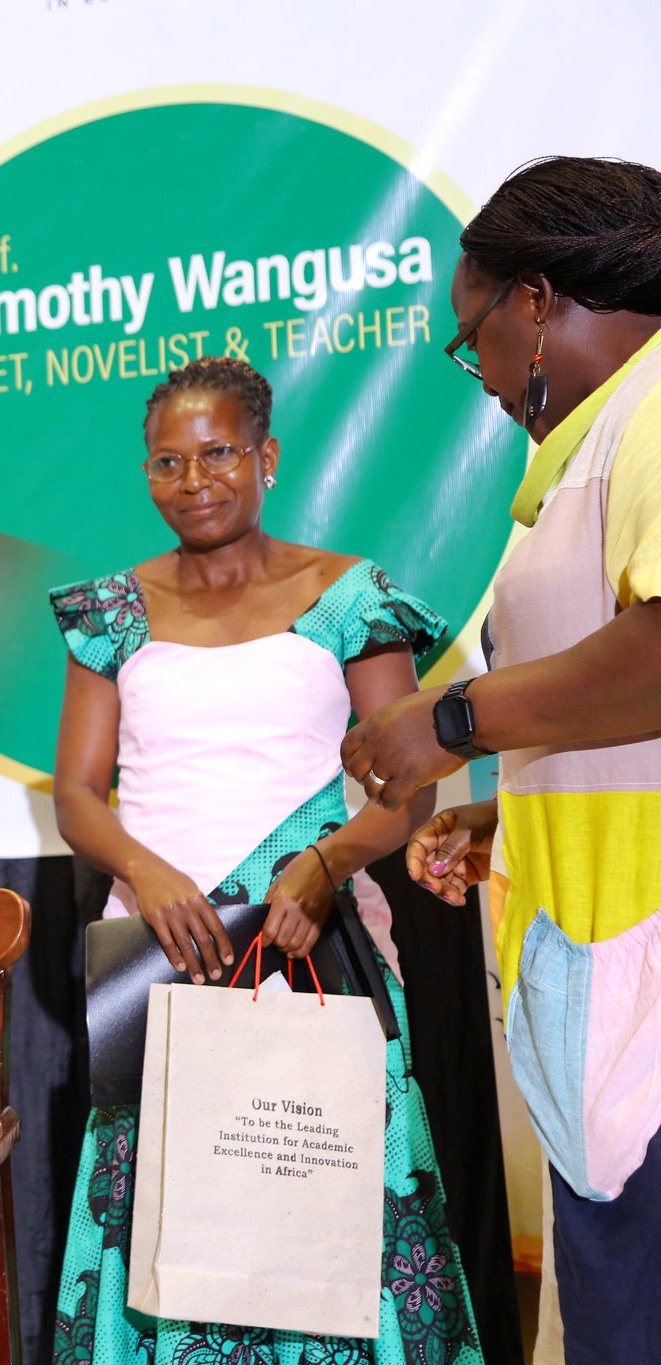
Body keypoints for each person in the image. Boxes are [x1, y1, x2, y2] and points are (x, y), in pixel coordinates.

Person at [46, 359, 482, 1363]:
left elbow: (404, 788)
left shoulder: (346, 597)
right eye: (167, 461)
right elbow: (76, 794)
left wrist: (323, 869)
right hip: (164, 960)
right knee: (168, 1215)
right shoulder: (110, 614)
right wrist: (150, 877)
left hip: (312, 946)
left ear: (266, 458)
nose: (192, 479)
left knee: (327, 1208)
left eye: (217, 454)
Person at [344, 155, 661, 1363]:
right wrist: (507, 811)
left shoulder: (650, 408)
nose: (471, 371)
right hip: (603, 982)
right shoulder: (588, 452)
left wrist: (456, 723)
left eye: (467, 334)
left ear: (534, 303)